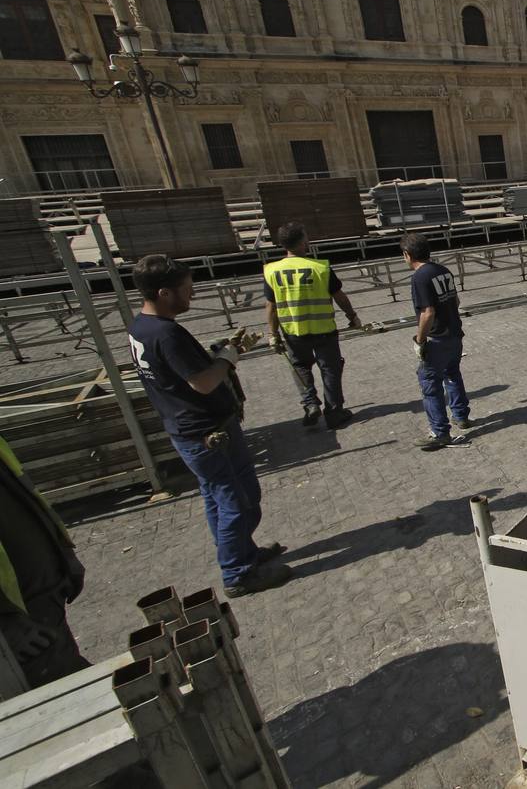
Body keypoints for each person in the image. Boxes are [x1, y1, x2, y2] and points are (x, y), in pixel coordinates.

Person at [128, 255, 290, 598]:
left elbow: (178, 370)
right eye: (186, 290)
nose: (192, 296)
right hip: (206, 432)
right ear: (163, 293)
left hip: (188, 429)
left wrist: (221, 352)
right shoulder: (166, 333)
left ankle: (241, 552)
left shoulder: (141, 326)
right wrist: (227, 360)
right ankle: (238, 573)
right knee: (237, 500)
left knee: (217, 499)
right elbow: (201, 382)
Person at [0, 435, 89, 689]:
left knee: (77, 680)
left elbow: (25, 498)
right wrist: (6, 629)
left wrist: (62, 554)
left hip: (44, 601)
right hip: (20, 630)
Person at [263, 222, 360, 429]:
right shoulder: (320, 267)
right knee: (330, 370)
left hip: (293, 332)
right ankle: (334, 413)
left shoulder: (272, 271)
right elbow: (340, 297)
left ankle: (310, 404)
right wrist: (352, 316)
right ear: (302, 241)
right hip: (324, 330)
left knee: (300, 367)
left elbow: (271, 306)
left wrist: (272, 334)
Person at [401, 234, 472, 451]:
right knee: (452, 374)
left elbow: (427, 312)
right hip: (454, 334)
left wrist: (420, 340)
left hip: (437, 339)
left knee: (430, 384)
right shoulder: (443, 270)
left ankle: (440, 432)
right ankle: (461, 416)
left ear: (407, 255)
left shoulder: (419, 277)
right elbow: (456, 301)